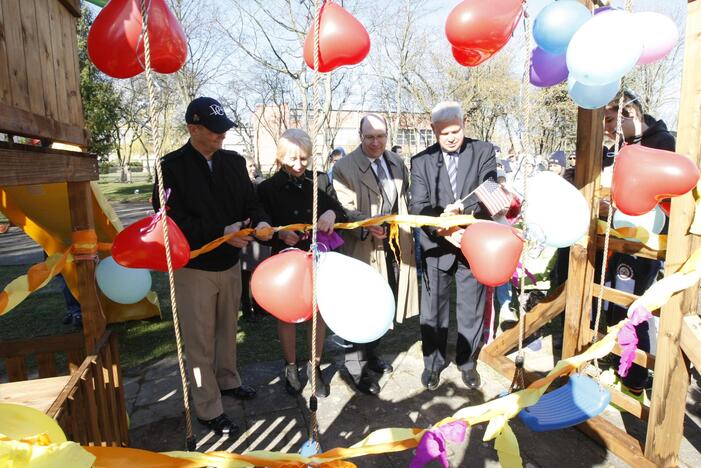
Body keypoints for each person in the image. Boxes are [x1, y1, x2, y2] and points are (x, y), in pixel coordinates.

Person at [152, 97, 272, 436]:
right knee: (199, 339)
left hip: (230, 264)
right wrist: (220, 233)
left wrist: (261, 222)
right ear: (194, 129)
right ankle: (207, 406)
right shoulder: (170, 167)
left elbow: (252, 200)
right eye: (215, 131)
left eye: (224, 130)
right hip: (194, 268)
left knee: (225, 331)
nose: (222, 137)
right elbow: (169, 219)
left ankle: (228, 380)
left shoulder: (234, 161)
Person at [409, 101, 497, 391]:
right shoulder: (420, 161)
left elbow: (489, 190)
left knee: (471, 307)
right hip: (436, 245)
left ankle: (467, 363)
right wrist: (443, 228)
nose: (450, 137)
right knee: (433, 310)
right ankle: (432, 364)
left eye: (456, 130)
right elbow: (418, 205)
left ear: (464, 124)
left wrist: (463, 212)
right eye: (443, 132)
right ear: (433, 130)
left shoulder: (483, 151)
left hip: (473, 244)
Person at [332, 113, 419, 395]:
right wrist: (370, 227)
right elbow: (344, 209)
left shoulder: (396, 163)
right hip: (362, 248)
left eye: (380, 136)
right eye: (369, 137)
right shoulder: (344, 167)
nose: (375, 142)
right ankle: (354, 367)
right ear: (360, 137)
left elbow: (403, 200)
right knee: (359, 307)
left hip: (393, 248)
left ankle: (371, 354)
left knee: (383, 302)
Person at [257, 129, 347, 398]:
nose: (298, 166)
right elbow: (261, 222)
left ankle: (314, 366)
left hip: (315, 258)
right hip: (284, 265)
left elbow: (338, 208)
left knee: (317, 313)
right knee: (287, 315)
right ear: (279, 157)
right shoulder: (267, 188)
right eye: (292, 159)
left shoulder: (317, 183)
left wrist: (331, 212)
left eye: (304, 160)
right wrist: (278, 233)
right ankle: (291, 366)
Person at [602, 90, 674, 399]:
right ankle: (621, 361)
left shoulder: (663, 143)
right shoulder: (622, 145)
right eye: (604, 119)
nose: (606, 126)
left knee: (636, 307)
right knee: (614, 303)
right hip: (618, 237)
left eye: (610, 119)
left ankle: (636, 378)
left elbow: (661, 197)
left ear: (631, 113)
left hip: (647, 243)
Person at [240, 157, 270, 323]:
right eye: (249, 166)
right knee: (245, 274)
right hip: (246, 235)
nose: (252, 168)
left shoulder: (261, 184)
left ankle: (259, 306)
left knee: (259, 271)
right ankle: (246, 308)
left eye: (253, 165)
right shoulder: (241, 186)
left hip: (260, 235)